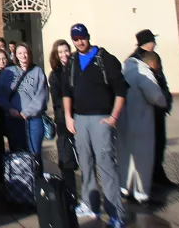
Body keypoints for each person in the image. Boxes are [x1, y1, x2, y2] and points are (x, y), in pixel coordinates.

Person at [62, 24, 127, 227]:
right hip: (79, 119)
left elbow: (121, 91)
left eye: (82, 38)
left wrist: (114, 117)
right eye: (75, 39)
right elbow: (66, 92)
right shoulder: (71, 61)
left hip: (101, 118)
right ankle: (91, 205)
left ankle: (115, 213)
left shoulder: (105, 59)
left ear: (88, 37)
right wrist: (68, 117)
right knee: (86, 165)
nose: (79, 42)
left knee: (106, 165)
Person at [132, 30, 179, 192]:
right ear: (148, 42)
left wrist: (166, 101)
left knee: (159, 143)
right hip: (149, 110)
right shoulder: (137, 60)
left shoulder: (153, 56)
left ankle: (158, 175)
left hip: (158, 107)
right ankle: (149, 180)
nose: (155, 44)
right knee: (150, 145)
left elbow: (161, 81)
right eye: (153, 41)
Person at [119, 50, 167, 204]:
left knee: (126, 158)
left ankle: (125, 189)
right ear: (153, 63)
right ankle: (142, 194)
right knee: (142, 159)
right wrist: (164, 101)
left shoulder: (124, 69)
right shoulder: (144, 72)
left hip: (123, 122)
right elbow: (156, 96)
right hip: (141, 123)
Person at [0, 43, 48, 155]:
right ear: (15, 55)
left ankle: (35, 173)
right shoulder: (8, 72)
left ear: (29, 54)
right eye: (19, 53)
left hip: (33, 120)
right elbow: (0, 95)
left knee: (34, 154)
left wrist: (26, 112)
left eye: (25, 53)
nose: (23, 56)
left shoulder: (37, 71)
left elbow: (42, 96)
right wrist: (10, 109)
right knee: (17, 153)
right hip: (12, 119)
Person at [46, 39, 79, 200]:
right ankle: (71, 194)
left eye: (66, 51)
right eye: (60, 52)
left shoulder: (76, 70)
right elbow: (57, 101)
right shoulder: (55, 75)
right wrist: (67, 117)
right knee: (67, 159)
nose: (64, 54)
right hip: (64, 121)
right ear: (55, 55)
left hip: (81, 118)